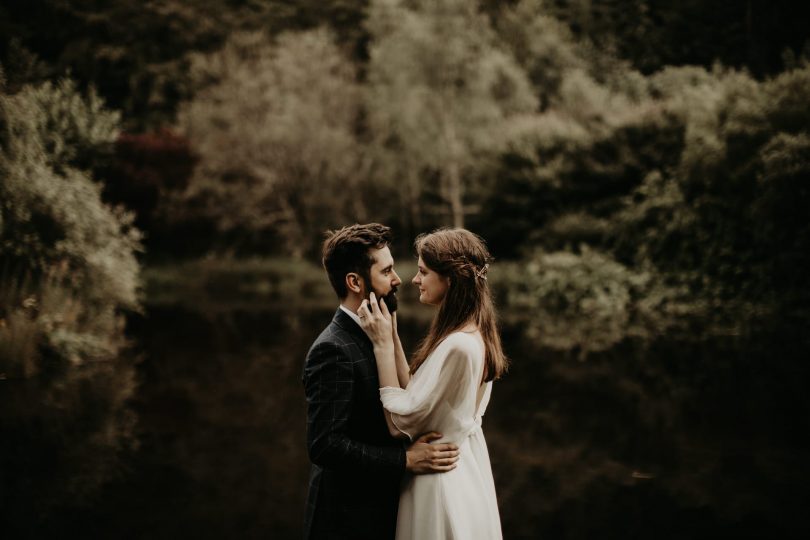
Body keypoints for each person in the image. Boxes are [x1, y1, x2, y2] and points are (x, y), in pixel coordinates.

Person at [303, 223, 461, 540]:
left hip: (382, 509)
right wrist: (404, 460)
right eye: (386, 271)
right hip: (347, 521)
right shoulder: (332, 349)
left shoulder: (378, 331)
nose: (398, 279)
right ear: (355, 282)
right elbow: (325, 445)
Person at [358, 228, 507, 540]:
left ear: (449, 280)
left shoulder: (458, 346)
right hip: (459, 471)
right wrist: (393, 335)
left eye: (423, 272)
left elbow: (399, 424)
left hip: (438, 480)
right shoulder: (469, 332)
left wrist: (382, 348)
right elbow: (418, 393)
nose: (414, 280)